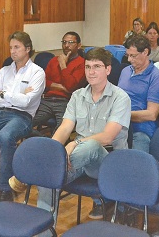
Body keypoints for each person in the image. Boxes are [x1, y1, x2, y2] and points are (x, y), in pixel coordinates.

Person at [32, 48, 131, 220]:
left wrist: (75, 144)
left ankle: (49, 168)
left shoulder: (120, 98)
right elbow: (64, 128)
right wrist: (54, 151)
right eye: (88, 67)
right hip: (78, 159)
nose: (91, 72)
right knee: (48, 179)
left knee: (90, 146)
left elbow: (107, 137)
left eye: (97, 67)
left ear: (108, 69)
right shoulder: (78, 96)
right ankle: (45, 232)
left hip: (108, 161)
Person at [0, 31, 46, 202]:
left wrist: (3, 94)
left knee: (5, 136)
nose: (12, 51)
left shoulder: (37, 72)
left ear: (28, 49)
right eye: (11, 47)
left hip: (21, 117)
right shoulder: (4, 71)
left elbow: (26, 103)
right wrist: (13, 96)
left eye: (16, 47)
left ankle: (5, 189)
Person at [118, 34, 159, 152]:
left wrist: (122, 115)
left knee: (136, 165)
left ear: (145, 52)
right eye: (127, 55)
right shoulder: (125, 71)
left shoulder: (156, 77)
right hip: (119, 127)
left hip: (140, 131)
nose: (129, 60)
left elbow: (151, 114)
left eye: (133, 56)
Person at [32, 32, 86, 132]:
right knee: (25, 124)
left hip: (66, 102)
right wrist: (60, 87)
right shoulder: (54, 60)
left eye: (70, 42)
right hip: (47, 100)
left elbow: (71, 87)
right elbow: (44, 82)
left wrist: (63, 66)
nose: (66, 45)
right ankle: (42, 142)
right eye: (64, 42)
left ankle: (52, 146)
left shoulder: (82, 64)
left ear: (79, 45)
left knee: (61, 130)